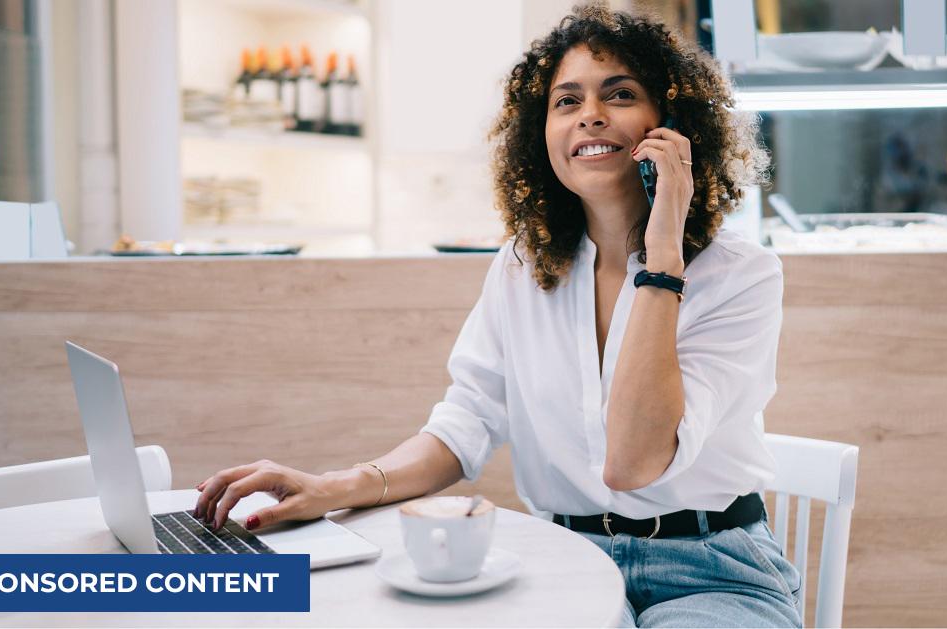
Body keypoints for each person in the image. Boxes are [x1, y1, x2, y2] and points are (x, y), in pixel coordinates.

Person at [194, 5, 801, 627]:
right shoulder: (522, 268)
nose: (590, 113)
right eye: (566, 101)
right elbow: (467, 422)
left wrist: (664, 253)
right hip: (567, 559)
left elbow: (633, 463)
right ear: (542, 135)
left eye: (620, 94)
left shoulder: (740, 275)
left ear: (673, 123)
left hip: (714, 571)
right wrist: (333, 487)